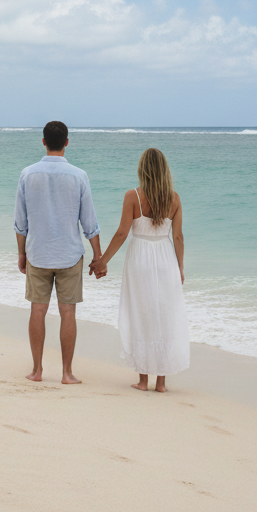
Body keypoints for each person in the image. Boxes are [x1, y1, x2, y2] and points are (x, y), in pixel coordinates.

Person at [92, 147, 189, 391]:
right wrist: (180, 267)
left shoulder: (133, 196)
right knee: (164, 315)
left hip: (139, 260)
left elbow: (123, 232)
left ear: (142, 169)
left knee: (141, 314)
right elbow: (178, 238)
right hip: (165, 259)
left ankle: (143, 380)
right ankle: (162, 383)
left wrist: (103, 260)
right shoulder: (174, 199)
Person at [14, 120, 103, 384]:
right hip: (70, 256)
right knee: (68, 313)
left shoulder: (28, 174)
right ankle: (66, 373)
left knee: (37, 310)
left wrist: (21, 254)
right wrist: (98, 257)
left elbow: (21, 222)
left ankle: (37, 371)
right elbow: (90, 223)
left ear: (43, 142)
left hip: (38, 253)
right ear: (66, 142)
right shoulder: (79, 176)